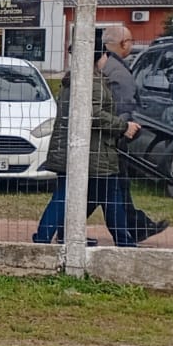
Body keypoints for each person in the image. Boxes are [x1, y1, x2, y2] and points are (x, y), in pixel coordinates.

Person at [32, 44, 146, 248]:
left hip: (79, 150)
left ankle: (50, 235)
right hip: (94, 153)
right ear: (99, 56)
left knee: (66, 195)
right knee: (111, 196)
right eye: (105, 55)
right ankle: (124, 242)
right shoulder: (91, 82)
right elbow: (93, 115)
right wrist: (123, 126)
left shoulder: (72, 80)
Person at [98, 24, 169, 241]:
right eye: (130, 41)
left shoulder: (105, 66)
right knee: (115, 188)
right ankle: (134, 229)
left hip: (105, 139)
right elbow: (123, 109)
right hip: (114, 140)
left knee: (112, 189)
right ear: (123, 44)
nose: (132, 44)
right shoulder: (120, 73)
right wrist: (125, 130)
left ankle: (136, 227)